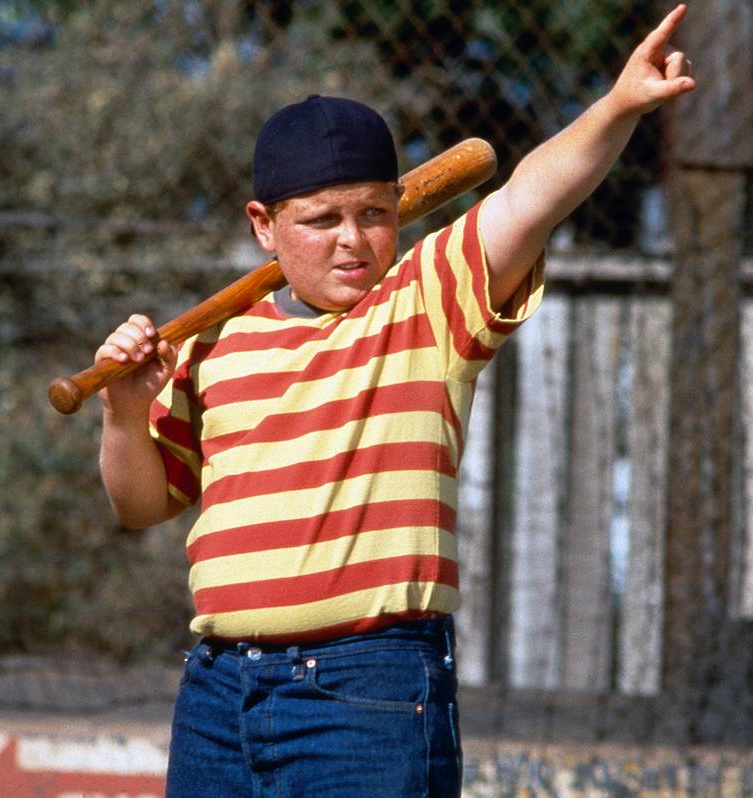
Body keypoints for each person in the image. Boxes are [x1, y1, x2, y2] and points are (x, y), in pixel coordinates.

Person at [94, 7, 694, 796]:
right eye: (322, 220)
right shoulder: (214, 344)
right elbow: (140, 504)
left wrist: (617, 107)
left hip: (365, 691)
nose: (352, 239)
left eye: (374, 214)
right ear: (263, 226)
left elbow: (529, 197)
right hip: (216, 692)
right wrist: (124, 413)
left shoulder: (426, 302)